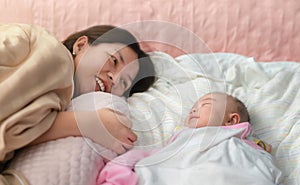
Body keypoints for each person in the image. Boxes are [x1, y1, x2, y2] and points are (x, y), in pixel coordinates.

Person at [0, 23, 155, 184]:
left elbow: (13, 134)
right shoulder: (50, 52)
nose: (114, 79)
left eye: (124, 82)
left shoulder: (60, 101)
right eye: (114, 61)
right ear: (81, 45)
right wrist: (86, 123)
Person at [97, 92, 274, 185]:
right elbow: (154, 159)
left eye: (205, 105)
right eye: (193, 107)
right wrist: (118, 171)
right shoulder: (184, 141)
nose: (194, 110)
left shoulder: (243, 146)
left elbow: (260, 170)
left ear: (231, 120)